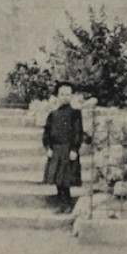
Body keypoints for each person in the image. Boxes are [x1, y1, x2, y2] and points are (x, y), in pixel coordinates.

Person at [42, 83, 87, 213]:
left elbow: (78, 132)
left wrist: (74, 149)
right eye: (62, 94)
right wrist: (48, 147)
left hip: (68, 149)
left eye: (68, 94)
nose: (65, 97)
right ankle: (61, 203)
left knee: (66, 179)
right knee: (57, 178)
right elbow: (47, 132)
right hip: (56, 149)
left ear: (72, 96)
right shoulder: (53, 114)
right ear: (57, 96)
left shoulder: (75, 113)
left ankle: (67, 204)